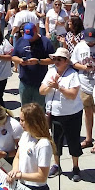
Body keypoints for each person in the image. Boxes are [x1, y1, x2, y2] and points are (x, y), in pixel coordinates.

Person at [39, 47, 84, 181]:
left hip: (72, 114)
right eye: (55, 59)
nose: (56, 61)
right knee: (55, 141)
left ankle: (75, 167)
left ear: (66, 61)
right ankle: (57, 165)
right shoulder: (51, 72)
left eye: (59, 59)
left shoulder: (72, 75)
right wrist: (50, 86)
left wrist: (59, 88)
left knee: (73, 141)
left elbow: (73, 95)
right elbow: (41, 91)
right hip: (54, 114)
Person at [6, 103, 54, 190]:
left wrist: (20, 175)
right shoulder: (25, 136)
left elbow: (42, 176)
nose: (20, 123)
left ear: (32, 121)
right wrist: (14, 170)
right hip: (22, 186)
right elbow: (18, 156)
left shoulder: (43, 144)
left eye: (22, 120)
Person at [12, 22, 54, 107]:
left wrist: (38, 61)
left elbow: (52, 60)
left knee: (39, 109)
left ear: (36, 31)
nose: (29, 39)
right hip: (25, 82)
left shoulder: (45, 42)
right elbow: (13, 56)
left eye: (31, 36)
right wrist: (20, 61)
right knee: (25, 108)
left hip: (40, 82)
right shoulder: (21, 40)